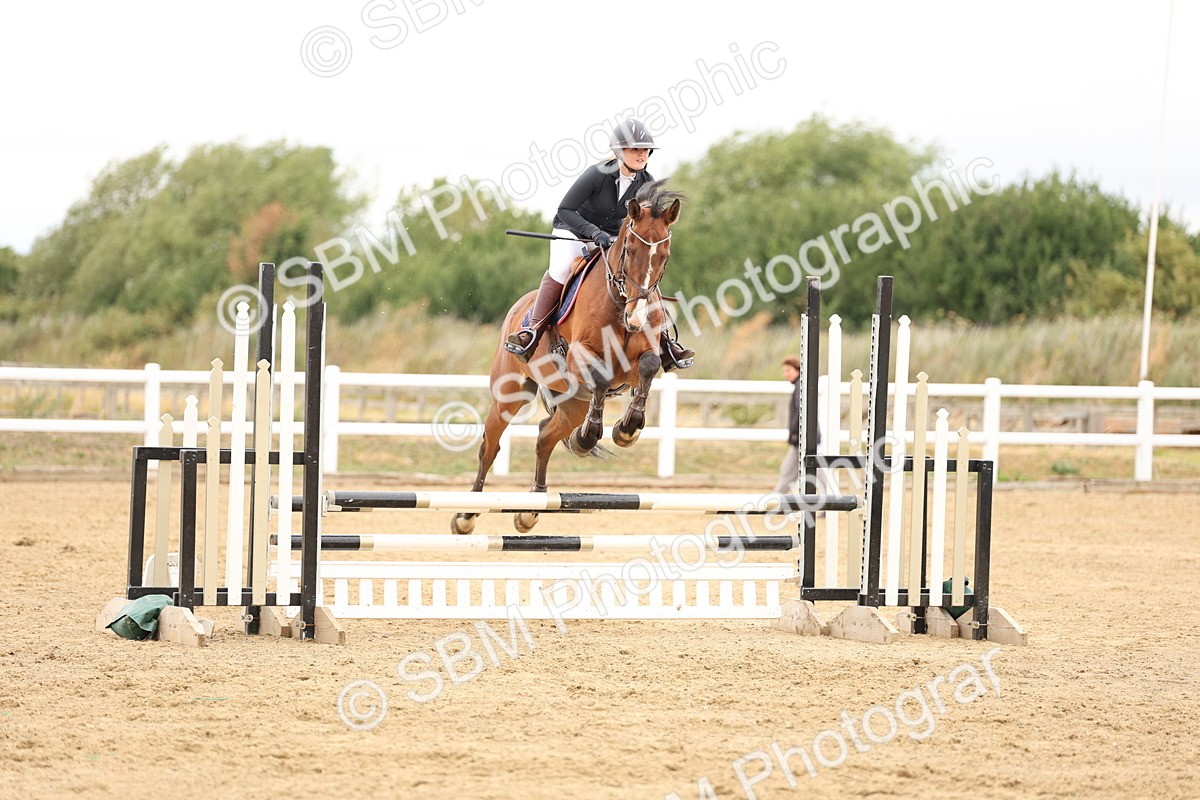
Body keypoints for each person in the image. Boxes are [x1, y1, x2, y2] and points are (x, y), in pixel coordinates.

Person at [504, 118, 694, 370]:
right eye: (634, 149)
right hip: (574, 231)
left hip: (614, 239)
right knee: (561, 271)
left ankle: (665, 344)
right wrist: (593, 232)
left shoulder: (646, 183)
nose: (641, 154)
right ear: (619, 151)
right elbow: (566, 209)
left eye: (645, 150)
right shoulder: (597, 174)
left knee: (640, 274)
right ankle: (531, 331)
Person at [773, 356, 804, 495]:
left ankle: (773, 501)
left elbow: (798, 413)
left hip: (801, 438)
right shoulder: (800, 387)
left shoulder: (799, 388)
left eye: (788, 370)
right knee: (817, 473)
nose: (785, 374)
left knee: (787, 472)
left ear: (797, 370)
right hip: (804, 437)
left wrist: (794, 434)